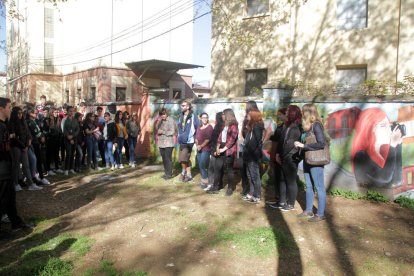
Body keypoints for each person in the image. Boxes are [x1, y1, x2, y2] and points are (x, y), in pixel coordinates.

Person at [0, 97, 33, 234]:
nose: (10, 110)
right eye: (8, 107)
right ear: (1, 109)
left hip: (6, 167)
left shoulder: (4, 124)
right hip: (1, 169)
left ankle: (16, 223)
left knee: (10, 197)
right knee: (2, 199)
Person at [351, 108, 403, 188]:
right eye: (383, 126)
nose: (389, 130)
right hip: (369, 199)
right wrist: (392, 145)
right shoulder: (361, 156)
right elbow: (384, 178)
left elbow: (397, 180)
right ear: (370, 128)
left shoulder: (383, 153)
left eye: (389, 126)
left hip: (384, 198)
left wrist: (398, 145)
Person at [294, 103, 327, 222]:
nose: (301, 114)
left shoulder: (316, 125)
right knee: (308, 186)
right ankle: (308, 210)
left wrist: (304, 145)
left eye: (303, 112)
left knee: (319, 187)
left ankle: (320, 214)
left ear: (308, 113)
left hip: (316, 161)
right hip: (308, 159)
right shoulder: (308, 126)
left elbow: (321, 143)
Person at [275, 105, 302, 211]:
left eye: (287, 111)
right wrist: (278, 154)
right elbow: (281, 141)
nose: (285, 113)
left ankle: (290, 204)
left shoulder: (297, 126)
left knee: (291, 181)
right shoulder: (287, 125)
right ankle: (281, 202)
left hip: (291, 158)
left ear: (292, 113)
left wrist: (284, 155)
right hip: (283, 156)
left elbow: (292, 143)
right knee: (282, 180)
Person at [8, 107, 42, 191]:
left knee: (26, 165)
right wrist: (23, 146)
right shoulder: (11, 123)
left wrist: (27, 144)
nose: (20, 115)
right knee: (16, 166)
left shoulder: (23, 122)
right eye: (18, 113)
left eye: (21, 113)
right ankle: (15, 184)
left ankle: (31, 184)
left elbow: (28, 133)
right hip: (16, 147)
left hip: (25, 146)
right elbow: (14, 138)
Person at [207, 108, 238, 196]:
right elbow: (220, 137)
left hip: (229, 150)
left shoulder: (234, 125)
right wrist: (217, 148)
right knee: (217, 167)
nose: (222, 116)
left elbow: (232, 140)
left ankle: (230, 188)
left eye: (223, 114)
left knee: (229, 170)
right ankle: (216, 187)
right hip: (221, 148)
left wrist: (223, 149)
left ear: (228, 115)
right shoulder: (224, 125)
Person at [242, 109, 264, 204]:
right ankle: (251, 192)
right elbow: (248, 140)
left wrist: (248, 149)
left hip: (253, 155)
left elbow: (255, 142)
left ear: (253, 116)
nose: (247, 117)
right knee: (249, 175)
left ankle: (257, 195)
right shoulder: (252, 126)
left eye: (249, 115)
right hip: (248, 154)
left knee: (255, 176)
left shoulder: (258, 126)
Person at [268, 108, 287, 208]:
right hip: (276, 155)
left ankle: (282, 199)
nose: (279, 116)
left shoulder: (289, 127)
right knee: (276, 178)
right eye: (278, 115)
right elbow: (274, 140)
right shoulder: (279, 127)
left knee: (282, 179)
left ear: (286, 115)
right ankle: (277, 196)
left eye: (280, 114)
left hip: (283, 156)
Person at [177, 100, 200, 182]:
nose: (181, 107)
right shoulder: (180, 116)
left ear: (188, 107)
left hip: (189, 141)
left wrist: (196, 138)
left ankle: (183, 173)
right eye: (181, 105)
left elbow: (198, 127)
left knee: (182, 158)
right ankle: (188, 174)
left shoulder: (193, 116)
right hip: (181, 140)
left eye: (183, 105)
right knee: (185, 158)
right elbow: (179, 127)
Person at [26, 109, 50, 185]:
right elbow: (37, 133)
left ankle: (39, 177)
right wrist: (41, 137)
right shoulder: (29, 122)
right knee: (37, 160)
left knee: (38, 160)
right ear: (30, 114)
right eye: (35, 113)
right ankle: (39, 178)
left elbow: (39, 131)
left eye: (37, 113)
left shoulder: (34, 121)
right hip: (33, 143)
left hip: (37, 143)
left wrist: (42, 136)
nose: (36, 114)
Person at [241, 100, 259, 196]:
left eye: (246, 106)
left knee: (253, 173)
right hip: (246, 148)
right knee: (246, 172)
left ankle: (255, 193)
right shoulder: (247, 119)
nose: (245, 108)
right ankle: (248, 190)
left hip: (252, 151)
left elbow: (256, 138)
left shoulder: (257, 122)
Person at [204, 112, 224, 191]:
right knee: (215, 168)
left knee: (214, 168)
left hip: (217, 150)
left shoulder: (220, 127)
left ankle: (214, 184)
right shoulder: (219, 126)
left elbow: (217, 140)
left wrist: (216, 149)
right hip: (216, 150)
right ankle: (215, 184)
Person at [155, 108, 176, 180]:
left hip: (168, 143)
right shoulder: (160, 120)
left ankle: (169, 174)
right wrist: (158, 123)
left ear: (166, 114)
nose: (163, 116)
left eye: (164, 114)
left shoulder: (171, 120)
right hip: (161, 143)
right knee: (164, 159)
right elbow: (157, 129)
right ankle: (166, 173)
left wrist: (163, 132)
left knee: (168, 159)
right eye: (161, 114)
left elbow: (172, 132)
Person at [195, 112, 213, 186]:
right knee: (200, 165)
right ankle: (203, 181)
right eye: (203, 118)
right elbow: (196, 138)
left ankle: (206, 180)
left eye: (206, 117)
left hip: (206, 149)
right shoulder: (199, 128)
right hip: (199, 149)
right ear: (200, 118)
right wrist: (197, 145)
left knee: (202, 164)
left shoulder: (210, 127)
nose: (205, 119)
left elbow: (208, 139)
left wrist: (200, 146)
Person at [63, 106, 79, 175]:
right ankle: (66, 169)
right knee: (68, 154)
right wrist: (69, 137)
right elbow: (64, 129)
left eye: (72, 111)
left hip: (74, 138)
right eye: (70, 111)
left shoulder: (75, 120)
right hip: (67, 139)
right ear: (67, 111)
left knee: (73, 154)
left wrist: (73, 136)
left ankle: (71, 168)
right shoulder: (64, 120)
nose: (71, 112)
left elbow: (77, 129)